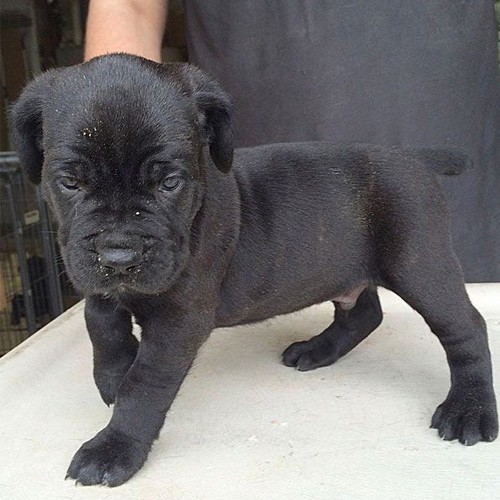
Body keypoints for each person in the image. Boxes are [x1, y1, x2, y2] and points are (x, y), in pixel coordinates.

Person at [85, 0, 500, 282]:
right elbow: (130, 4)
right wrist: (115, 196)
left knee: (447, 307)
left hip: (445, 137)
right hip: (249, 183)